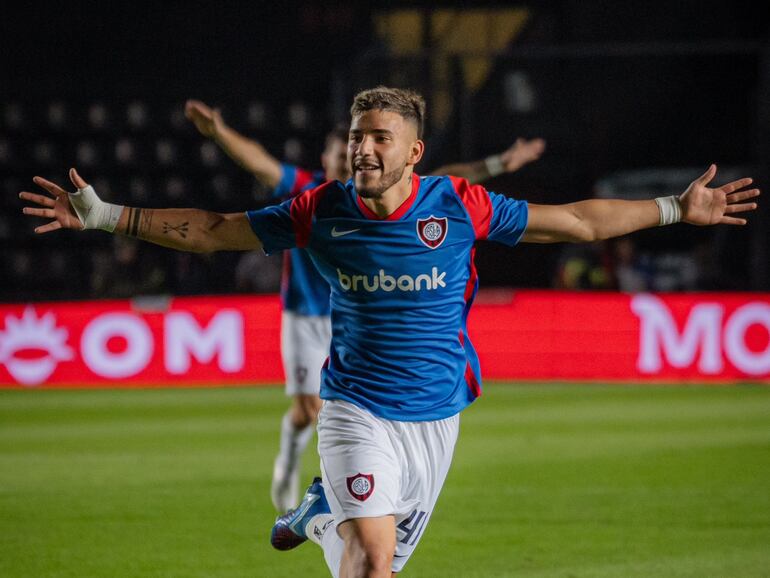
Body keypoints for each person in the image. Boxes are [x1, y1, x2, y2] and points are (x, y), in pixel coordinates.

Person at [20, 86, 758, 578]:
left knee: (365, 562)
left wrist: (672, 209)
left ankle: (317, 518)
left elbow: (575, 221)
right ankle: (329, 511)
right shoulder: (321, 208)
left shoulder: (460, 206)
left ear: (413, 153)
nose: (362, 148)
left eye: (379, 137)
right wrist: (110, 215)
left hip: (436, 418)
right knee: (373, 564)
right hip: (355, 410)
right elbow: (214, 232)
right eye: (355, 136)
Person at [183, 98, 546, 512]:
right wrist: (220, 133)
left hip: (360, 326)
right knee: (306, 410)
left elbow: (447, 179)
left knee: (330, 413)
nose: (354, 158)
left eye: (369, 144)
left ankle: (329, 498)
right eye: (346, 151)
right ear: (327, 158)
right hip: (306, 315)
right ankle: (289, 467)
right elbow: (260, 164)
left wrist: (500, 163)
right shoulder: (311, 195)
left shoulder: (394, 194)